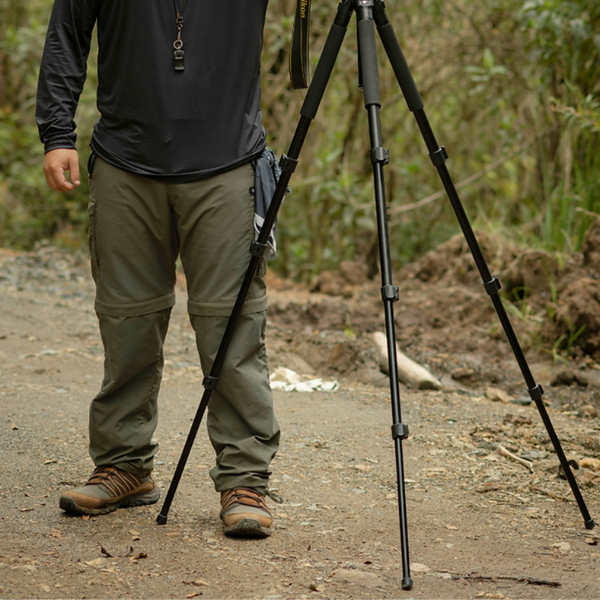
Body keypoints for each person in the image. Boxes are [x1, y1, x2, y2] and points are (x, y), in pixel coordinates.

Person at [36, 0, 280, 539]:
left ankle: (244, 480)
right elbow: (66, 37)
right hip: (125, 160)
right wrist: (57, 133)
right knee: (127, 319)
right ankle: (124, 466)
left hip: (227, 163)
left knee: (231, 326)